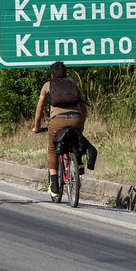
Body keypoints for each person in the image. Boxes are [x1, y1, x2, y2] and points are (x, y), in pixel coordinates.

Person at [32, 61, 88, 198]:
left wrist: (37, 127)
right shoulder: (73, 83)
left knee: (52, 148)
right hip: (77, 118)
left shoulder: (48, 85)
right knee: (76, 139)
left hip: (57, 121)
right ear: (65, 73)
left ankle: (54, 185)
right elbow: (83, 106)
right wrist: (82, 122)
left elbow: (39, 109)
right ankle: (78, 162)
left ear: (52, 75)